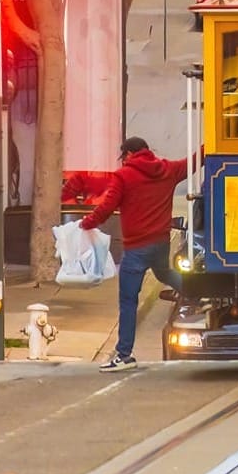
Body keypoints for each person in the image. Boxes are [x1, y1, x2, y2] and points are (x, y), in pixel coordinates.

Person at [71, 137, 189, 372]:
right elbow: (193, 161)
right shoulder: (168, 169)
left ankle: (124, 354)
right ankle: (199, 291)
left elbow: (106, 208)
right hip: (160, 243)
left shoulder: (123, 176)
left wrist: (86, 223)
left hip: (136, 249)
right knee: (165, 273)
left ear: (128, 154)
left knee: (128, 301)